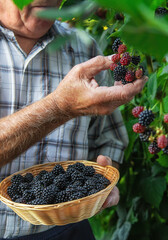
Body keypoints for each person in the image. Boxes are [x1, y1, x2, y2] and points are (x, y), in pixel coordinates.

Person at [0, 0, 148, 239]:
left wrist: (103, 180)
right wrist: (59, 107)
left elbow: (110, 139)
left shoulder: (84, 47)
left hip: (71, 231)